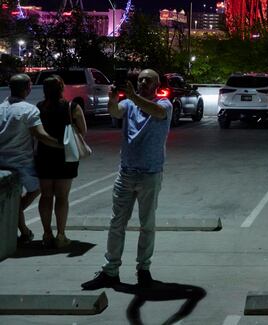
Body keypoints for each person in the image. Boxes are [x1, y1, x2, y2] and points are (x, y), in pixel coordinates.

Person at [82, 69, 173, 290]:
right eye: (140, 79)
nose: (143, 82)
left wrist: (133, 96)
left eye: (148, 79)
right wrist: (113, 100)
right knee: (117, 223)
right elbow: (115, 112)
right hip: (126, 172)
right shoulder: (130, 104)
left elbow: (156, 112)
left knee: (147, 225)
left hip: (150, 173)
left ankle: (144, 269)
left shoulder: (165, 104)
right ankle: (110, 270)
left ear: (156, 83)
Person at [0, 74, 62, 245]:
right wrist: (62, 145)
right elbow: (40, 134)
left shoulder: (0, 108)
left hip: (2, 162)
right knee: (37, 189)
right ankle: (15, 213)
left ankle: (24, 231)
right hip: (22, 162)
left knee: (13, 195)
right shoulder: (29, 109)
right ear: (28, 87)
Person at [36, 75, 86, 248]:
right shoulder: (72, 107)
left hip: (44, 155)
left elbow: (37, 132)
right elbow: (83, 130)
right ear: (62, 88)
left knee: (46, 196)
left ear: (44, 90)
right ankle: (61, 235)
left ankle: (46, 234)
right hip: (66, 156)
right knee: (62, 197)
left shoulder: (40, 107)